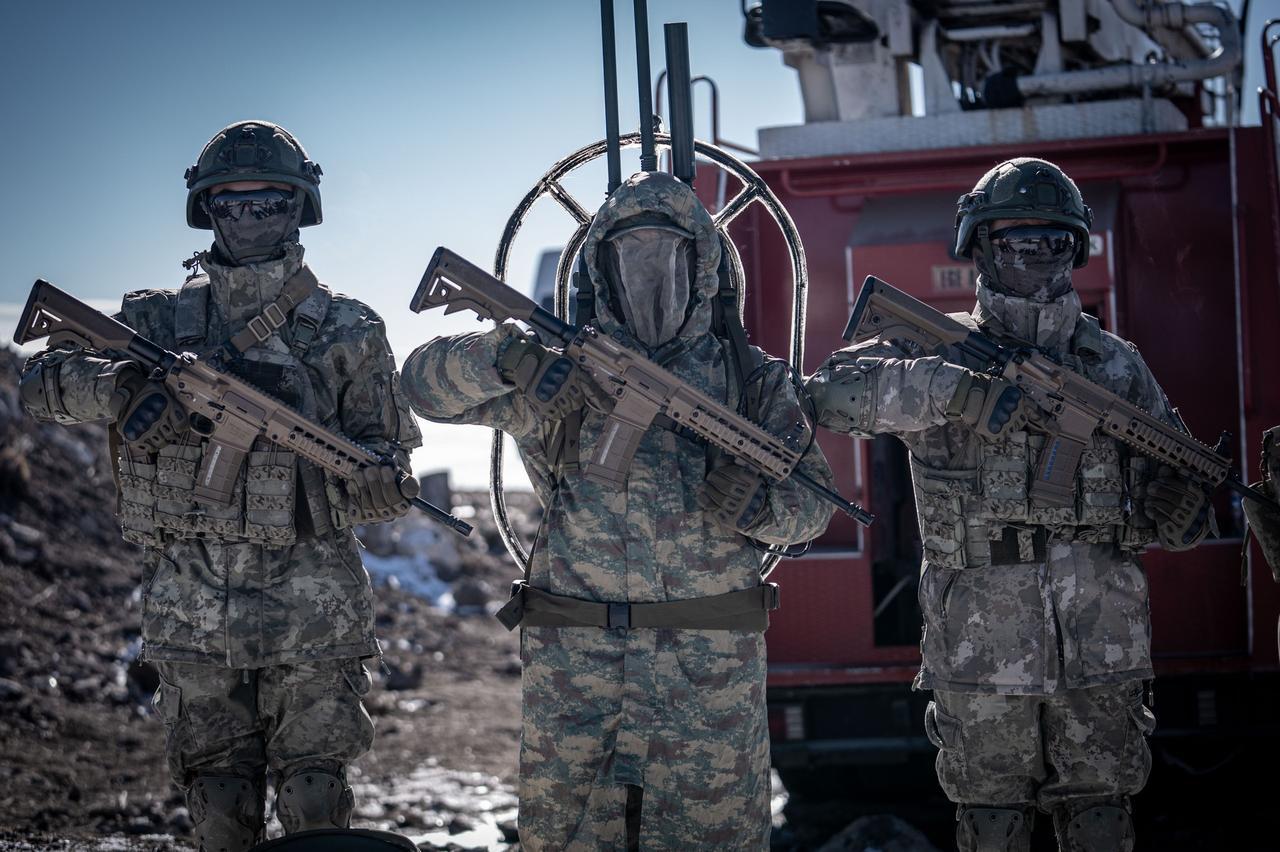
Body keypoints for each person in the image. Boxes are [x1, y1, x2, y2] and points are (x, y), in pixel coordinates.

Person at [400, 170, 834, 850]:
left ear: (702, 267)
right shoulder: (561, 376)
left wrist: (759, 507)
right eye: (630, 256)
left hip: (708, 683)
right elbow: (422, 388)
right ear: (601, 269)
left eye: (669, 256)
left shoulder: (751, 382)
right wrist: (505, 356)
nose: (649, 275)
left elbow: (813, 506)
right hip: (580, 680)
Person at [19, 120, 422, 851]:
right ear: (206, 209)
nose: (249, 217)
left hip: (314, 613)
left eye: (269, 202)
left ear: (299, 209)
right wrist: (124, 388)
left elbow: (385, 450)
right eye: (231, 203)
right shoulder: (153, 319)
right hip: (192, 610)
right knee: (219, 806)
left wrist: (382, 484)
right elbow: (40, 383)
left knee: (316, 800)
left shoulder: (349, 329)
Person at [806, 158, 1212, 852]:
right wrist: (952, 391)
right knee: (991, 823)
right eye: (1017, 241)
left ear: (1076, 250)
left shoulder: (1115, 366)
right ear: (981, 247)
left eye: (1053, 241)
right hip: (980, 645)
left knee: (1101, 818)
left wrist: (1182, 516)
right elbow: (829, 394)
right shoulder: (939, 353)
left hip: (1101, 640)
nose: (1035, 257)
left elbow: (1172, 479)